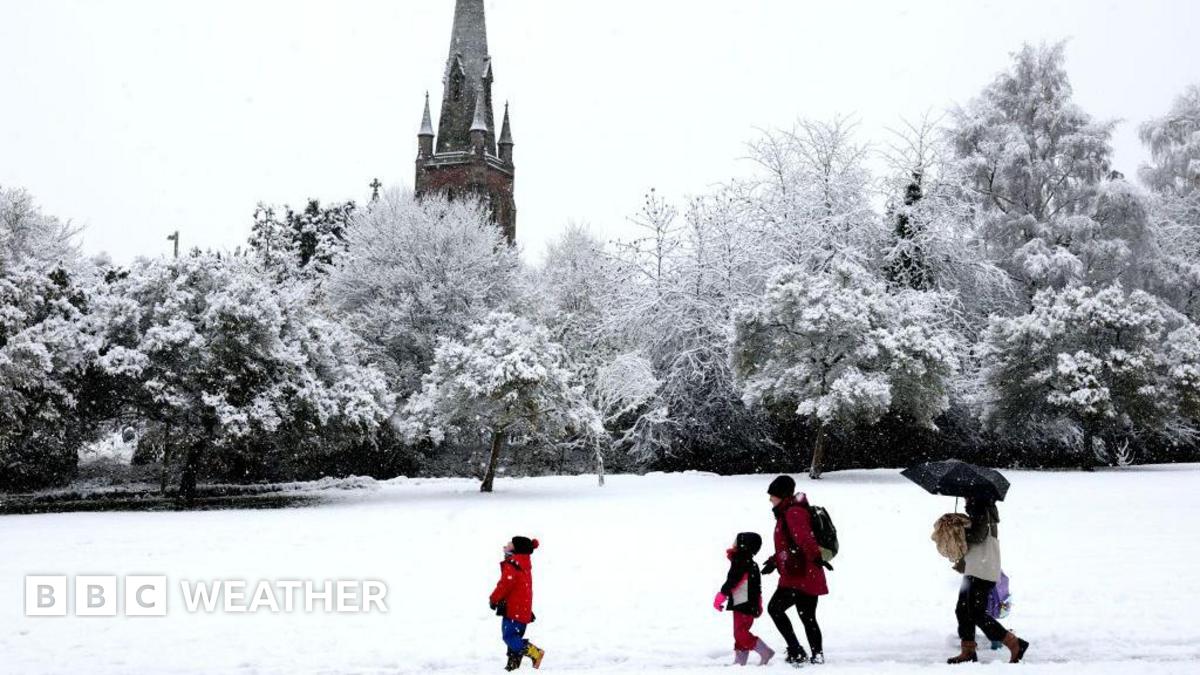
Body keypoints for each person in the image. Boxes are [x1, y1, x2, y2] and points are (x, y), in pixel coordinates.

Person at [946, 498, 1030, 665]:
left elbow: (977, 535)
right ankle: (968, 651)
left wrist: (959, 530)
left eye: (967, 495)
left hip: (981, 569)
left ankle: (1014, 643)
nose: (964, 497)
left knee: (976, 612)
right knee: (963, 610)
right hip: (976, 567)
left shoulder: (980, 507)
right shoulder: (980, 507)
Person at [762, 475, 828, 666]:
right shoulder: (789, 511)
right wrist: (775, 561)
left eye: (773, 495)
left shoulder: (793, 513)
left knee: (776, 609)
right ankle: (815, 655)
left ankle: (797, 650)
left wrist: (815, 556)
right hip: (802, 572)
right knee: (807, 616)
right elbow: (789, 544)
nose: (770, 499)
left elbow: (804, 540)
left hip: (800, 574)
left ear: (782, 495)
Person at [713, 532, 776, 666]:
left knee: (740, 632)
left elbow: (733, 580)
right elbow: (757, 587)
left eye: (737, 541)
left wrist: (722, 595)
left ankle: (765, 651)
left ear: (744, 546)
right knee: (739, 632)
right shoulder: (749, 563)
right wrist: (758, 603)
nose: (734, 544)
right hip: (744, 600)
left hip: (743, 600)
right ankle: (740, 661)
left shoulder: (741, 561)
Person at [489, 536, 546, 671]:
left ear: (515, 549)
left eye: (509, 544)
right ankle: (513, 666)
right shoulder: (524, 565)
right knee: (515, 638)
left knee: (509, 637)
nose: (506, 545)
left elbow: (504, 585)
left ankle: (535, 653)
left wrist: (493, 599)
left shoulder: (513, 565)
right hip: (523, 609)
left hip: (514, 609)